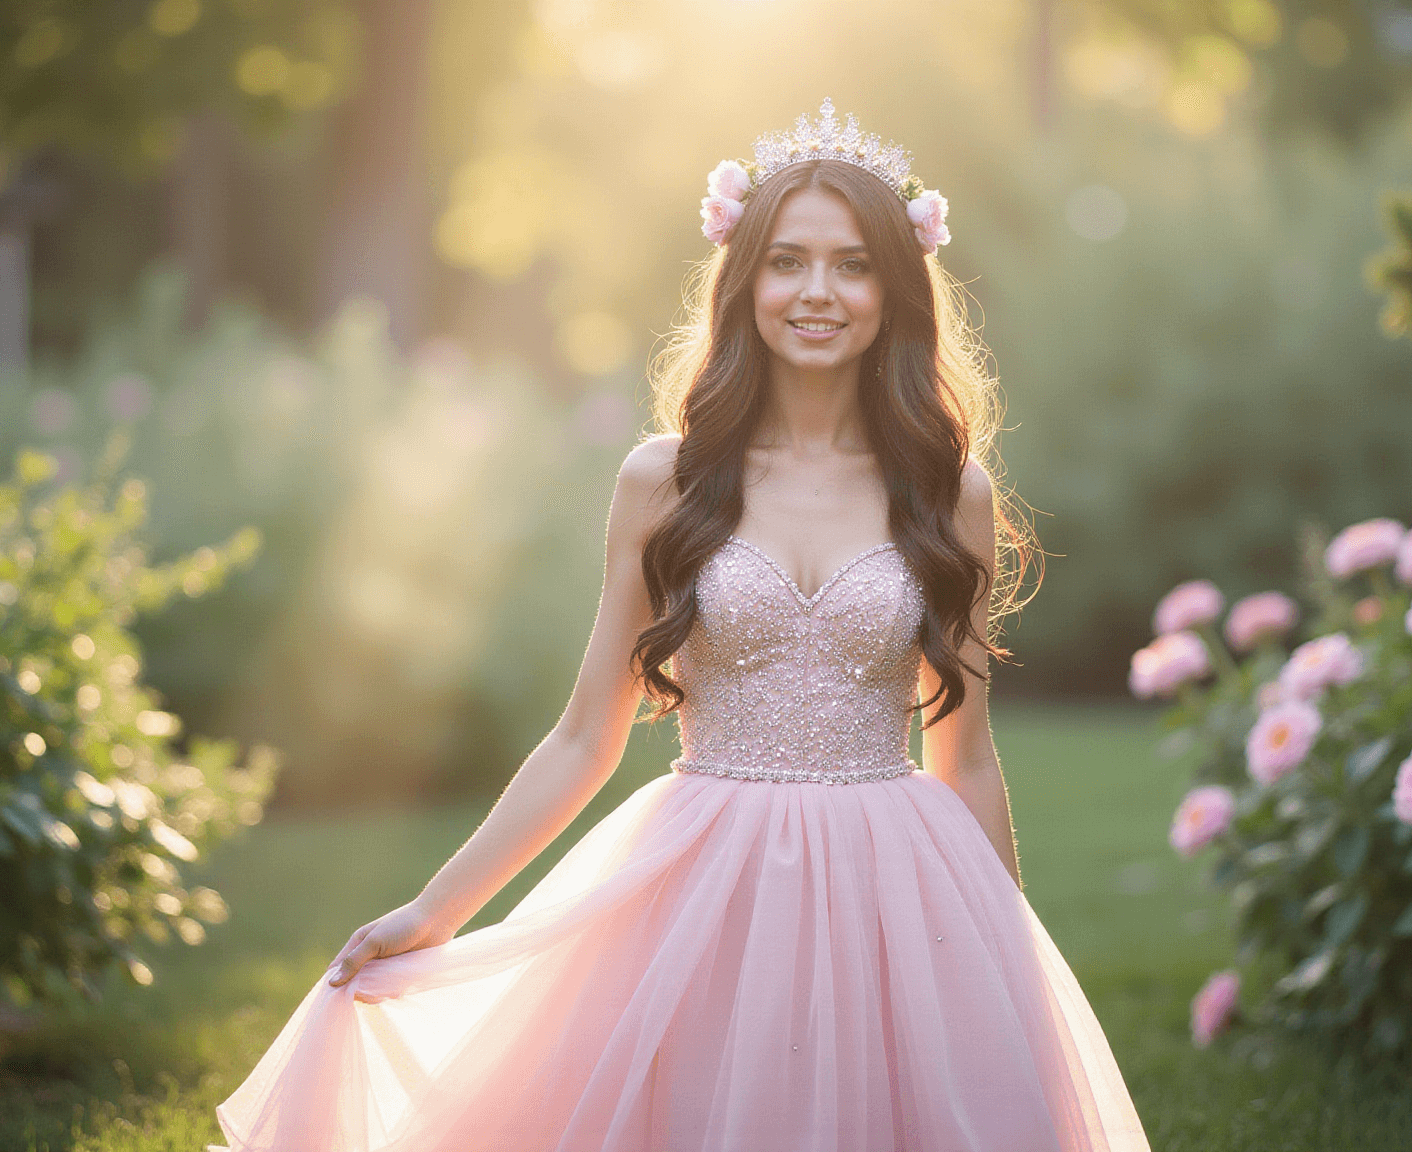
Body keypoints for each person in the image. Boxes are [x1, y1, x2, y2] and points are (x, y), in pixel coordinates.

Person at [209, 99, 1149, 1152]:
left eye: (850, 265)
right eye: (787, 262)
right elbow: (583, 735)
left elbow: (964, 756)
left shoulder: (945, 490)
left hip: (892, 880)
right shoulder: (665, 482)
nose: (816, 293)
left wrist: (998, 960)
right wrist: (432, 912)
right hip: (700, 880)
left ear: (895, 287)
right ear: (743, 281)